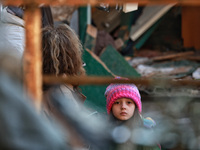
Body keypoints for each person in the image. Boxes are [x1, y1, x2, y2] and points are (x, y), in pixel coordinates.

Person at [105, 77, 161, 150]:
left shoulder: (146, 131)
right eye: (117, 102)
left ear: (136, 107)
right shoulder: (104, 131)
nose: (123, 107)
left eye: (129, 102)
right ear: (110, 107)